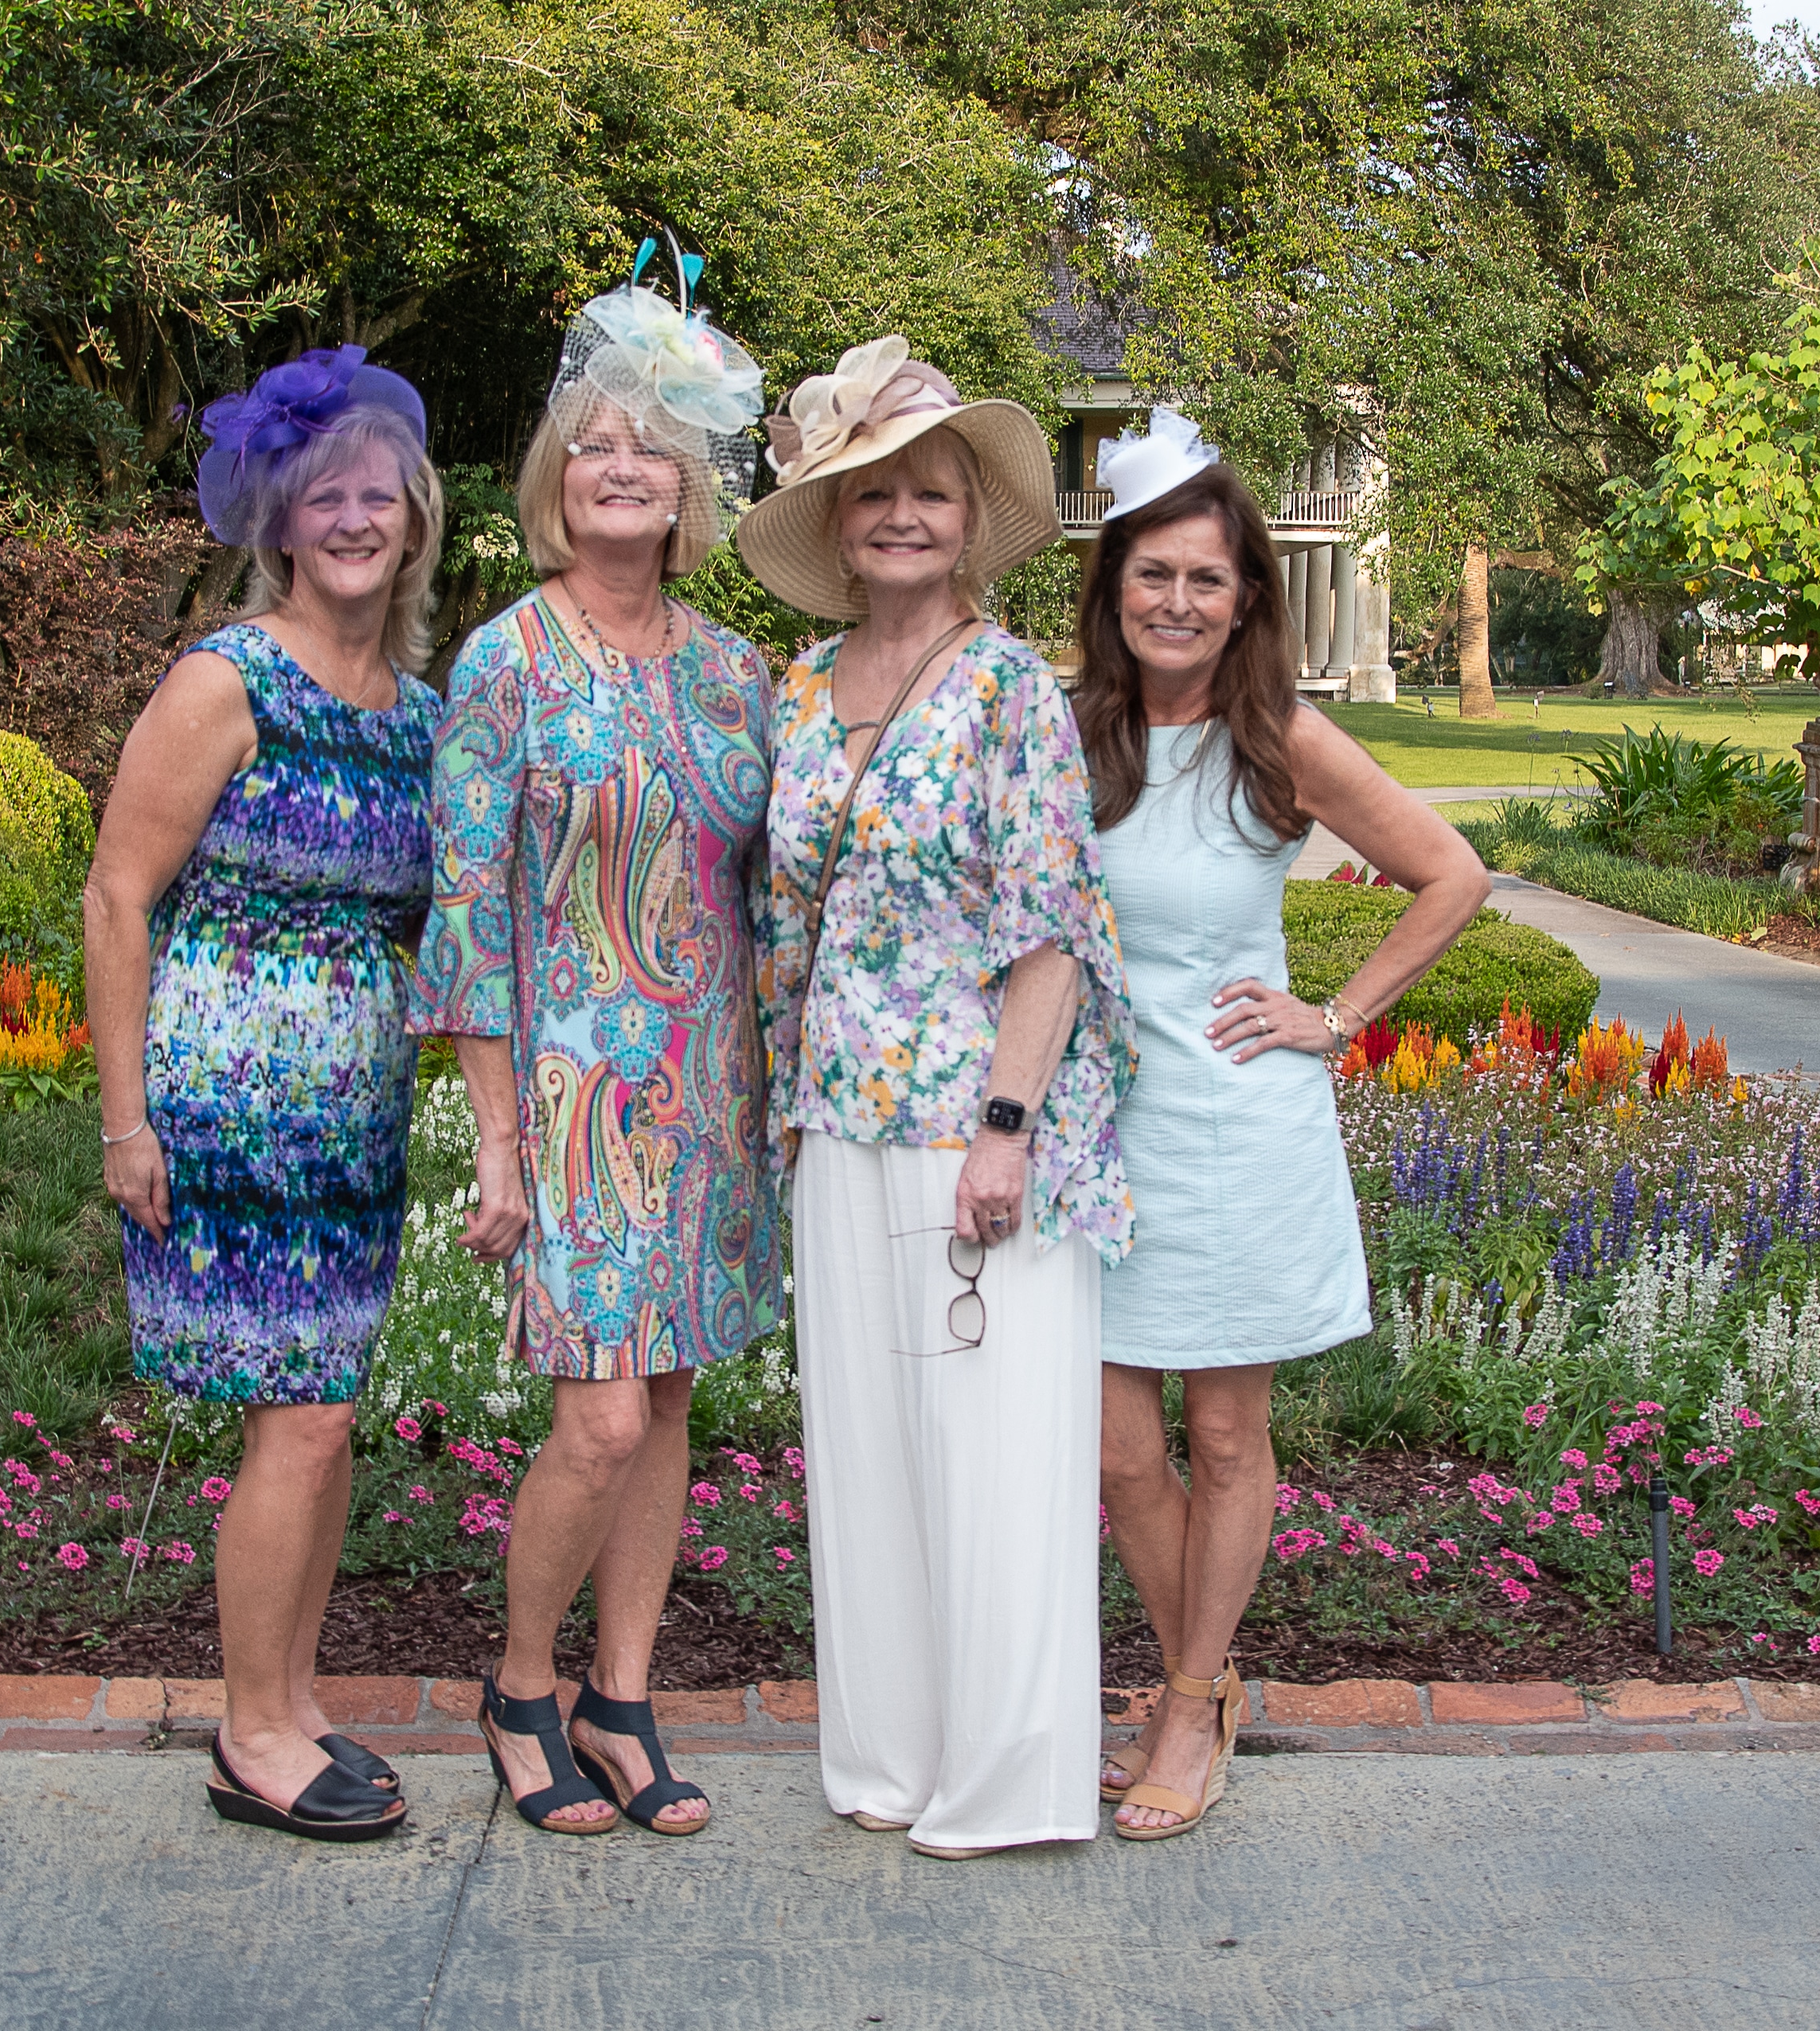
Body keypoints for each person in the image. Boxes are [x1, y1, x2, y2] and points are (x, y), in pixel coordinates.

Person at [741, 337, 1131, 1860]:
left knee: (992, 1457)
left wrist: (1004, 1131)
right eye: (871, 493)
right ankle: (889, 1757)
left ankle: (1006, 1781)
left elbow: (1052, 931)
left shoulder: (1008, 689)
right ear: (835, 528)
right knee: (869, 1455)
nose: (901, 515)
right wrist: (781, 1101)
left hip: (974, 1130)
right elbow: (788, 917)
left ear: (971, 521)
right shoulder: (799, 686)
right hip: (838, 1125)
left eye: (930, 492)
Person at [1076, 410, 1489, 1840]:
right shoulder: (1069, 739)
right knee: (1118, 1450)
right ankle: (1201, 1684)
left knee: (1223, 1429)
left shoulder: (1280, 738)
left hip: (1235, 1126)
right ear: (1112, 588)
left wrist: (1337, 1014)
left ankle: (1188, 1703)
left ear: (1247, 595)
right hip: (1097, 1137)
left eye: (1206, 577)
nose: (1177, 601)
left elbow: (1450, 874)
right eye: (1152, 574)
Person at [411, 277, 779, 1837]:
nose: (619, 467)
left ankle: (620, 1699)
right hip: (572, 1099)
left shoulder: (735, 671)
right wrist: (495, 1139)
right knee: (602, 1418)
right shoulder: (502, 661)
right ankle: (517, 1687)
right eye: (592, 444)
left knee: (671, 1401)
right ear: (553, 480)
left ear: (689, 487)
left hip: (711, 1091)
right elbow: (463, 912)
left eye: (649, 448)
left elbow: (771, 892)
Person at [83, 347, 446, 1844]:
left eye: (379, 497)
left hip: (354, 1119)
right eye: (325, 497)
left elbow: (431, 924)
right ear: (280, 522)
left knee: (328, 1416)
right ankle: (248, 1734)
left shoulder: (417, 714)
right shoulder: (227, 678)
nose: (353, 520)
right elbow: (117, 895)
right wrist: (125, 1122)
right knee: (294, 1422)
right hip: (228, 1109)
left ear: (415, 522)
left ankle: (291, 1702)